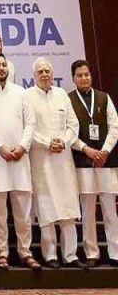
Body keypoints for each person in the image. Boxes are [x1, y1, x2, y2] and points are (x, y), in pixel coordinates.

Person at [0, 53, 38, 269]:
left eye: (4, 64)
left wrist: (22, 146)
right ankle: (2, 253)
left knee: (23, 212)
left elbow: (30, 123)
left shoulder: (20, 92)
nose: (1, 68)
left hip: (20, 158)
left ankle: (25, 252)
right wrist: (0, 148)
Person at [26, 57, 82, 268]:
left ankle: (70, 255)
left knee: (68, 209)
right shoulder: (28, 96)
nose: (44, 74)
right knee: (47, 209)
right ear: (34, 75)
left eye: (47, 71)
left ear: (52, 73)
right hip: (41, 161)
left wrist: (64, 141)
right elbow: (28, 128)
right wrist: (47, 143)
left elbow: (73, 125)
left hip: (63, 160)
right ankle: (50, 255)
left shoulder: (61, 95)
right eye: (40, 71)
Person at [68, 59, 118, 266]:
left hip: (105, 161)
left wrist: (104, 151)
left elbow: (114, 127)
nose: (83, 78)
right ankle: (91, 253)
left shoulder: (104, 98)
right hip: (83, 161)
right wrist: (86, 149)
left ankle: (115, 253)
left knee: (110, 209)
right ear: (73, 78)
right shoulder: (68, 100)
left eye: (86, 74)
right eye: (79, 75)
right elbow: (68, 132)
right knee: (87, 210)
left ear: (91, 75)